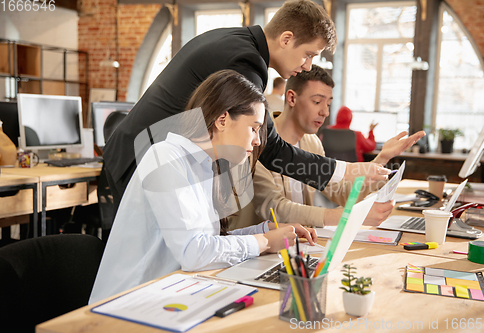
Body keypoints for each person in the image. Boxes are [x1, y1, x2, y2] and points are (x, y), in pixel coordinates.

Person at [103, 0, 391, 216]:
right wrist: (345, 171)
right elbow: (269, 148)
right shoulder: (246, 63)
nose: (308, 66)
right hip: (141, 161)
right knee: (149, 269)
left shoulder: (236, 41)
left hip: (140, 152)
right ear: (286, 38)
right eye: (308, 54)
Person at [89, 70, 318, 304]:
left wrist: (263, 231)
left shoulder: (204, 164)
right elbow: (193, 252)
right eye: (254, 128)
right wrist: (266, 242)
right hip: (130, 303)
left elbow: (209, 241)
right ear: (222, 120)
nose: (258, 140)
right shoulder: (166, 158)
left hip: (171, 290)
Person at [229, 65, 425, 230]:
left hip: (299, 246)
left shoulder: (312, 142)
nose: (324, 112)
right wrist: (347, 217)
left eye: (328, 104)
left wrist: (381, 159)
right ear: (291, 98)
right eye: (317, 102)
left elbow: (339, 192)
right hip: (258, 250)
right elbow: (276, 209)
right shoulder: (258, 140)